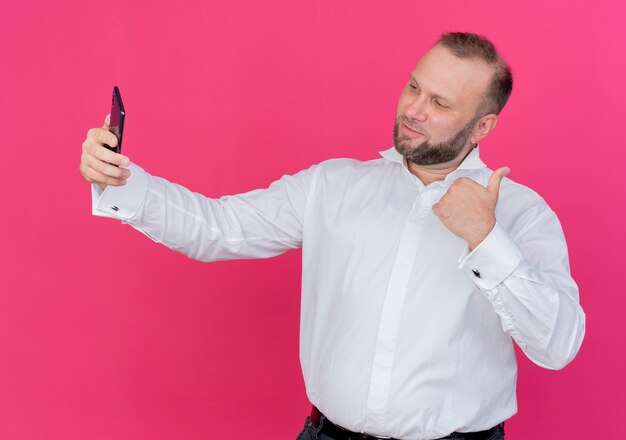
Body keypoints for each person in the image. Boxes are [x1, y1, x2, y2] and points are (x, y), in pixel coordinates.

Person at [79, 32, 585, 440]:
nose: (414, 109)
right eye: (413, 86)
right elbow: (218, 228)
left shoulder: (521, 214)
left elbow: (558, 345)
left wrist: (486, 238)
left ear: (482, 127)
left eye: (439, 103)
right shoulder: (333, 185)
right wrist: (121, 179)